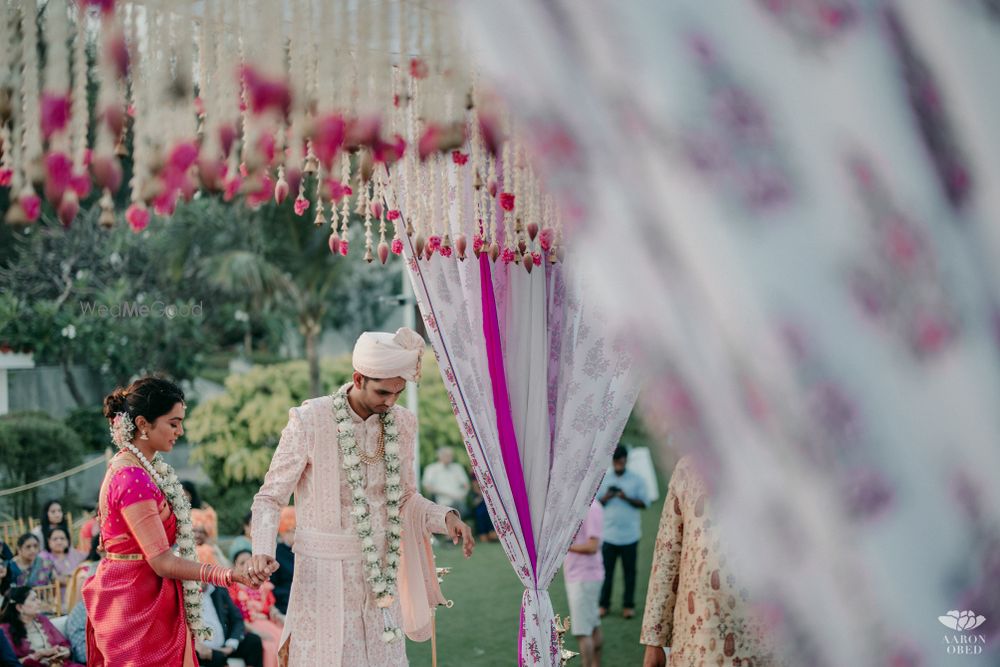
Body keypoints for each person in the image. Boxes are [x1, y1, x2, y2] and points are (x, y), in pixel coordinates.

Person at [249, 327, 475, 665]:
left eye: (398, 393)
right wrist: (262, 550)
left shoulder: (402, 424)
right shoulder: (310, 420)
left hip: (379, 577)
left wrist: (445, 517)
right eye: (383, 392)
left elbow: (403, 498)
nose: (391, 402)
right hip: (323, 577)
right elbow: (269, 497)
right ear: (358, 378)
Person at [82, 376, 265, 667]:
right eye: (173, 422)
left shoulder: (143, 467)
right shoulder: (132, 477)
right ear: (143, 424)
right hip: (136, 601)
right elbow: (162, 562)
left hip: (147, 593)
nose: (180, 431)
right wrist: (229, 575)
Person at [640, 456, 779, 666]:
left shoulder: (789, 464)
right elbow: (668, 554)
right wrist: (654, 640)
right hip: (699, 641)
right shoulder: (689, 468)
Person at [597, 445, 648, 619]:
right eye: (615, 460)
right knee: (606, 573)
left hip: (630, 536)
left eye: (621, 460)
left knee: (629, 573)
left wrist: (625, 497)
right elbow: (595, 505)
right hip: (608, 535)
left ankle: (628, 606)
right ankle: (603, 605)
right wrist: (608, 496)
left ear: (626, 459)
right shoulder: (603, 479)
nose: (618, 463)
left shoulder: (637, 479)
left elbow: (644, 503)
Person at [563, 500, 605, 667]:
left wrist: (564, 545)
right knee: (592, 626)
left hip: (584, 576)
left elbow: (592, 546)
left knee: (583, 632)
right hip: (582, 575)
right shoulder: (582, 505)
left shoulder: (592, 507)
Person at [0, 586, 82, 666]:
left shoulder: (42, 620)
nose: (39, 602)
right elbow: (10, 662)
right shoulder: (5, 630)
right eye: (33, 599)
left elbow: (64, 644)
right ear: (19, 607)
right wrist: (37, 655)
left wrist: (64, 651)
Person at [229, 550, 283, 667]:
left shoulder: (262, 584)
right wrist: (258, 633)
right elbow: (234, 616)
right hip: (247, 626)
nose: (247, 566)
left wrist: (279, 616)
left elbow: (271, 608)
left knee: (282, 639)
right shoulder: (232, 587)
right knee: (269, 645)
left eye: (250, 562)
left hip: (266, 622)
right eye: (242, 563)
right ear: (235, 565)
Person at [196, 583, 264, 667]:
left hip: (225, 644)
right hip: (201, 649)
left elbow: (237, 619)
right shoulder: (186, 594)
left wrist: (231, 645)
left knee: (254, 641)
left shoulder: (218, 589)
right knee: (217, 657)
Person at [421, 447, 471, 517]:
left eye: (451, 455)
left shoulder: (457, 467)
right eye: (447, 455)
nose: (450, 457)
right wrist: (448, 494)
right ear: (439, 456)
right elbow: (427, 487)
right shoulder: (431, 469)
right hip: (442, 503)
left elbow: (466, 485)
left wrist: (463, 494)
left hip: (459, 502)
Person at [41, 529, 84, 605]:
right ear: (48, 541)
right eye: (55, 539)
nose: (59, 542)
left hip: (78, 595)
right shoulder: (43, 557)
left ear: (68, 540)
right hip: (55, 602)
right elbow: (55, 579)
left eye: (62, 538)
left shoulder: (74, 553)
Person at [270, 507, 295, 616]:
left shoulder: (304, 551)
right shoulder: (276, 552)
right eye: (290, 530)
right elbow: (272, 585)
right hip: (286, 603)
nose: (294, 534)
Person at [470, 478, 498, 542]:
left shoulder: (487, 491)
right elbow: (473, 504)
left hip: (488, 512)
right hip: (480, 513)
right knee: (481, 514)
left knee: (489, 515)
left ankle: (492, 533)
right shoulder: (472, 494)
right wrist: (481, 496)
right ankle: (484, 533)